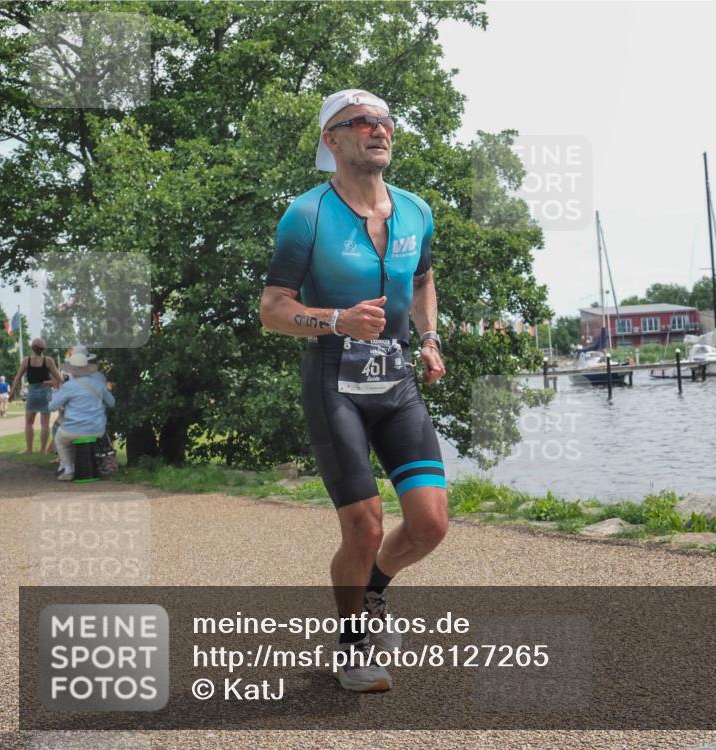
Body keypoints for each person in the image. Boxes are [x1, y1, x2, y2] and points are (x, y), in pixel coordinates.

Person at [259, 89, 447, 693]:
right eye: (360, 122)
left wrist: (430, 338)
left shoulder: (416, 211)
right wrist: (336, 319)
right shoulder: (307, 215)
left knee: (430, 525)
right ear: (331, 140)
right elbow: (272, 310)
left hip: (396, 377)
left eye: (385, 120)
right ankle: (353, 645)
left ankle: (372, 594)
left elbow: (421, 281)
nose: (378, 129)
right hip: (333, 376)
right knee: (364, 527)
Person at [47, 348, 114, 481]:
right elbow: (111, 403)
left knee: (60, 439)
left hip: (73, 429)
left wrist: (55, 391)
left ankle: (69, 469)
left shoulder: (69, 386)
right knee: (69, 436)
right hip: (98, 429)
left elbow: (51, 407)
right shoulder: (98, 383)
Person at [10, 338, 62, 453]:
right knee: (45, 424)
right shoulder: (48, 361)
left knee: (29, 422)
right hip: (45, 393)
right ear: (43, 348)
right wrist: (49, 382)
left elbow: (17, 378)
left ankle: (29, 449)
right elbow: (60, 378)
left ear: (32, 347)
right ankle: (43, 450)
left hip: (32, 392)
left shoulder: (26, 360)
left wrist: (12, 392)